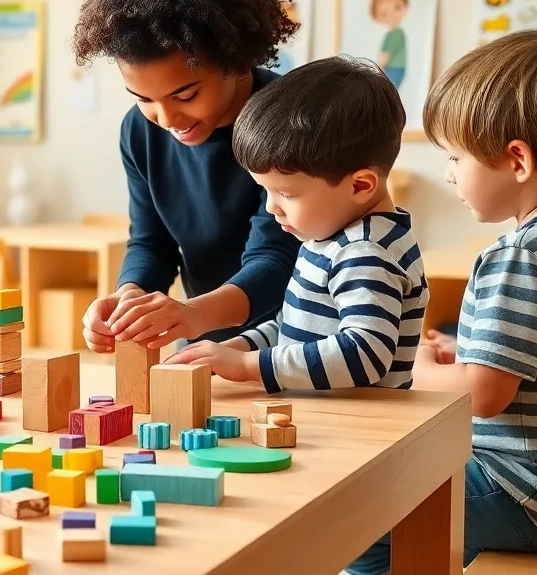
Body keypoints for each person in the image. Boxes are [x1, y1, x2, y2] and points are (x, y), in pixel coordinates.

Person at [267, 30, 537, 575]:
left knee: (314, 506)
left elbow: (484, 395)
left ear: (516, 159)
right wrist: (463, 351)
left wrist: (413, 364)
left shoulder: (522, 256)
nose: (448, 173)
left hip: (524, 491)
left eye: (455, 157)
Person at [73, 0, 302, 357]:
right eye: (143, 99)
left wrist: (193, 313)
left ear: (234, 60)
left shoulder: (286, 117)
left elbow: (277, 257)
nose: (167, 120)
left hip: (295, 344)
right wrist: (131, 297)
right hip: (206, 339)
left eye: (184, 95)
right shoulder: (139, 133)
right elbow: (151, 241)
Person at [165, 56, 426, 400]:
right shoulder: (329, 239)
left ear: (361, 185)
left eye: (286, 193)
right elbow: (292, 331)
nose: (272, 207)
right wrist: (236, 348)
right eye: (266, 191)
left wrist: (248, 366)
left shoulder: (366, 252)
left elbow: (364, 353)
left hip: (361, 432)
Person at [371, 0, 409, 89]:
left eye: (397, 7)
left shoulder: (395, 34)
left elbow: (386, 54)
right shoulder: (394, 33)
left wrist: (378, 67)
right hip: (394, 69)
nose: (392, 15)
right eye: (384, 13)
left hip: (394, 69)